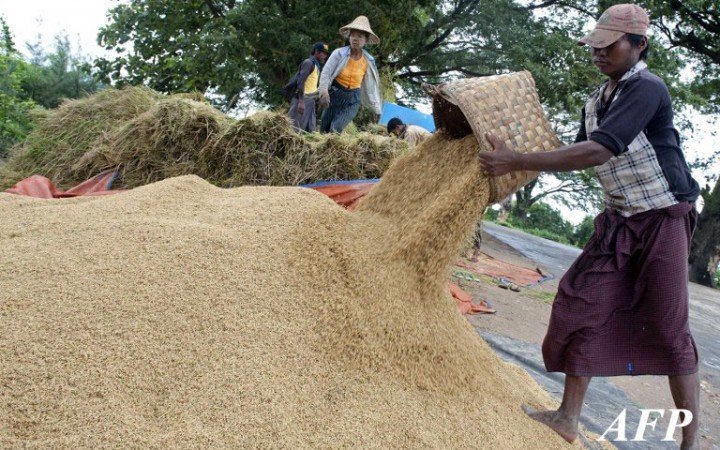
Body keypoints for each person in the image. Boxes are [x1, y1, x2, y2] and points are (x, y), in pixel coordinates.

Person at [477, 4, 701, 448]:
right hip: (621, 218)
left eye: (608, 45)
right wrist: (515, 154)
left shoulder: (648, 88)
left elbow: (599, 152)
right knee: (581, 300)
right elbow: (577, 150)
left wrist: (517, 160)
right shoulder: (597, 99)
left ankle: (690, 443)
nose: (598, 53)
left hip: (663, 217)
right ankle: (567, 418)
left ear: (639, 45)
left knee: (669, 328)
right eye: (594, 46)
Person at [318, 15, 383, 133]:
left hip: (353, 98)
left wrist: (377, 110)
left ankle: (334, 148)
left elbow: (371, 88)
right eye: (353, 35)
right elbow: (326, 73)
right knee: (324, 128)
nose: (355, 39)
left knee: (335, 128)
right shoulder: (339, 53)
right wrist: (323, 92)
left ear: (366, 40)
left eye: (360, 36)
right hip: (336, 93)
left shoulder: (369, 61)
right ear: (349, 37)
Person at [287, 42, 330, 132]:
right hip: (302, 100)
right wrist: (301, 101)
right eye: (323, 53)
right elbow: (300, 82)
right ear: (316, 51)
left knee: (311, 131)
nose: (324, 56)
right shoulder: (308, 63)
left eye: (326, 54)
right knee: (294, 131)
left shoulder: (316, 66)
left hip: (310, 101)